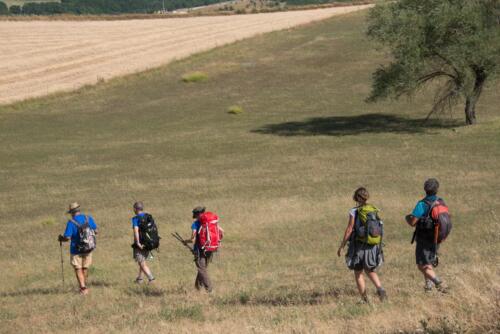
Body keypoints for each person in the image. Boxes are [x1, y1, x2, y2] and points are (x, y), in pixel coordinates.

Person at [337, 187, 387, 303]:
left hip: (359, 246)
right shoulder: (373, 209)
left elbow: (349, 229)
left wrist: (342, 245)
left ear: (358, 198)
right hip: (373, 244)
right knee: (370, 269)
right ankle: (380, 289)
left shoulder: (354, 211)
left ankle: (364, 299)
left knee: (358, 271)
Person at [405, 178, 448, 293]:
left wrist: (407, 218)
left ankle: (440, 284)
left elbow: (413, 222)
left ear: (425, 189)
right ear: (437, 189)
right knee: (428, 262)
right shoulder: (441, 201)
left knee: (421, 265)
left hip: (424, 239)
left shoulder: (422, 204)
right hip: (437, 238)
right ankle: (428, 286)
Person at [58, 202, 98, 295]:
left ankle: (83, 289)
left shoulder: (71, 222)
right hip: (88, 248)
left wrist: (61, 238)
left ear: (71, 212)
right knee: (85, 267)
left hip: (76, 250)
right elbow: (96, 231)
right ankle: (84, 286)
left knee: (78, 269)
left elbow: (67, 237)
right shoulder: (88, 218)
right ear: (79, 210)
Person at [186, 206, 224, 293]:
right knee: (202, 268)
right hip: (210, 248)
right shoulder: (211, 222)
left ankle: (209, 289)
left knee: (201, 269)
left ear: (196, 215)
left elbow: (192, 239)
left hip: (199, 250)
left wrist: (186, 241)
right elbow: (222, 232)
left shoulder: (195, 224)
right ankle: (197, 288)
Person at [131, 201, 155, 284]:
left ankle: (151, 278)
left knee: (141, 262)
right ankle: (140, 279)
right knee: (143, 260)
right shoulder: (148, 216)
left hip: (140, 243)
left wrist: (137, 242)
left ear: (136, 209)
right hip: (149, 243)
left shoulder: (136, 218)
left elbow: (136, 231)